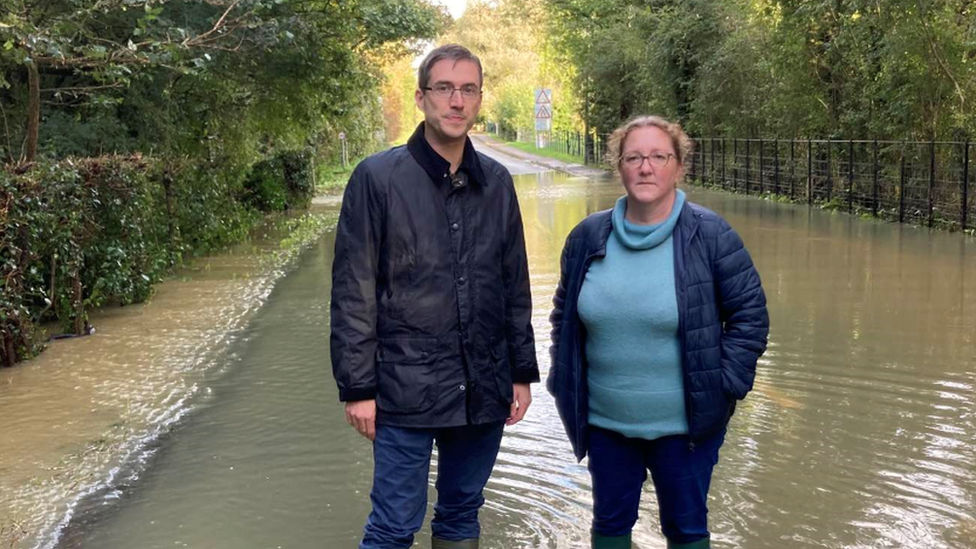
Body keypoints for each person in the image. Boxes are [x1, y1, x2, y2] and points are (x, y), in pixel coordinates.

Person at [330, 44, 539, 549]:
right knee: (394, 525)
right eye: (444, 88)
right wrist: (357, 387)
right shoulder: (377, 179)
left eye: (468, 89)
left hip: (482, 384)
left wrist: (521, 372)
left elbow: (513, 283)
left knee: (462, 514)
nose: (456, 101)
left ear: (480, 98)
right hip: (404, 388)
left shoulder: (497, 183)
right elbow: (353, 289)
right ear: (422, 98)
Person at [547, 115, 769, 549]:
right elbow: (563, 315)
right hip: (605, 424)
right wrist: (561, 379)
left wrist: (724, 386)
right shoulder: (587, 237)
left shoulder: (711, 236)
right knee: (609, 527)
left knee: (686, 530)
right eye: (634, 157)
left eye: (658, 157)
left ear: (678, 166)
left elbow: (750, 316)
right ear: (620, 166)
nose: (645, 167)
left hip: (685, 430)